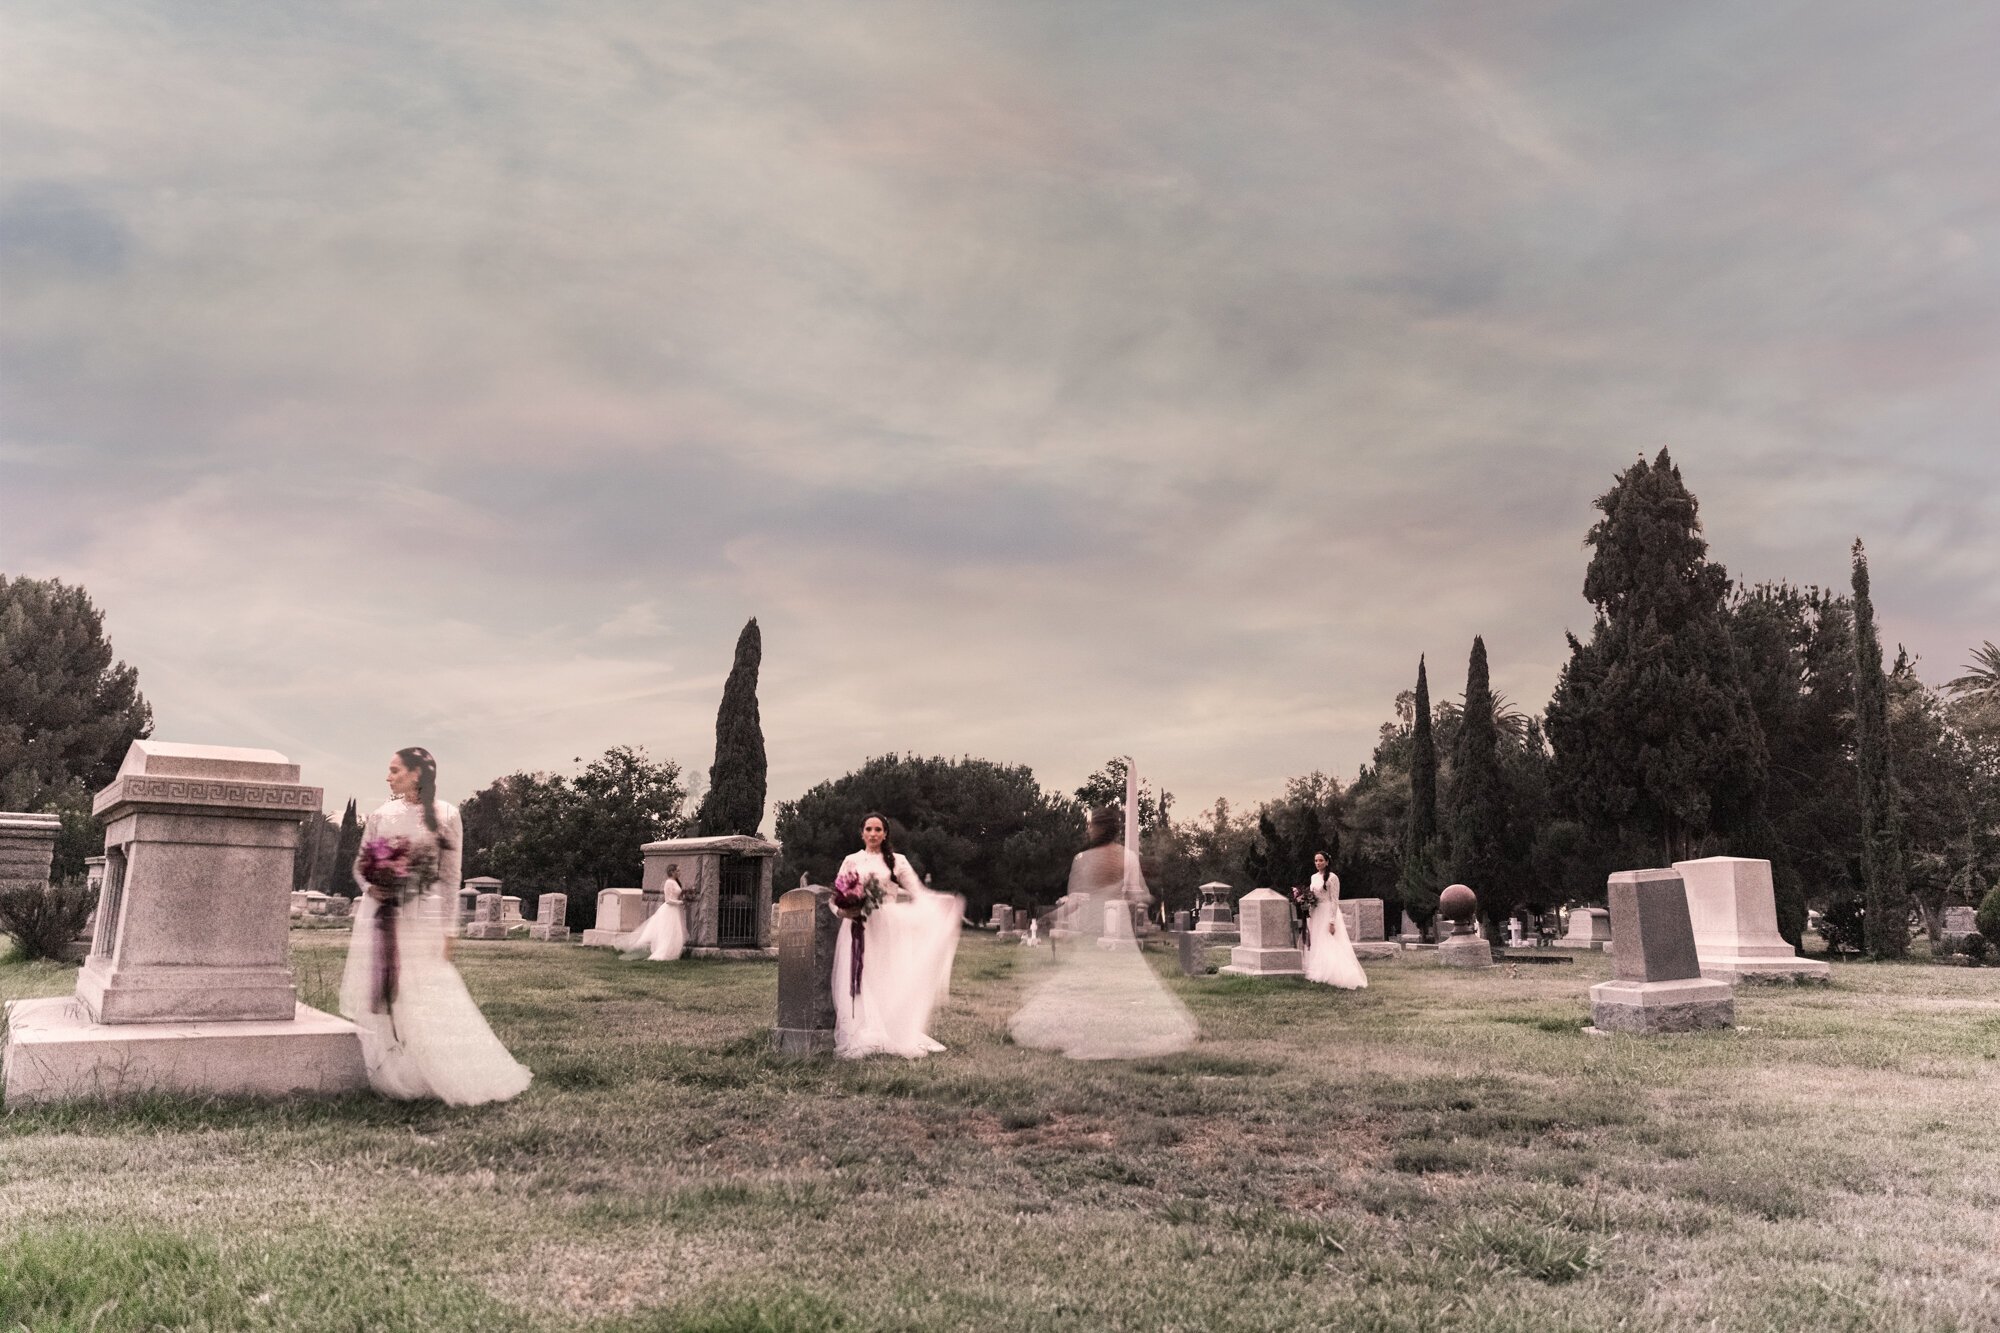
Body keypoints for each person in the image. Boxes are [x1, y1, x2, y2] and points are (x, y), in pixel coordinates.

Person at [338, 747, 533, 1105]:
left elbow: (449, 878)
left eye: (395, 770)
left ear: (416, 774)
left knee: (425, 992)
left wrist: (449, 930)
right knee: (385, 994)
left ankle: (436, 1070)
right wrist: (372, 886)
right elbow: (359, 864)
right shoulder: (381, 815)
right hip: (381, 915)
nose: (388, 777)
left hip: (422, 917)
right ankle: (387, 1068)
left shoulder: (446, 815)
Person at [1008, 806, 1196, 1060]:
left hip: (1090, 933)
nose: (1088, 829)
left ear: (1100, 827)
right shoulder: (1127, 857)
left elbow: (1074, 901)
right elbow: (1141, 895)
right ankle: (1113, 1036)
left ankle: (1093, 1036)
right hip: (1114, 934)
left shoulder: (1083, 859)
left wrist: (1050, 918)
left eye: (1090, 825)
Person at [830, 813, 963, 1058]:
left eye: (878, 829)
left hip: (887, 926)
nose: (873, 834)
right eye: (868, 829)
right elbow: (837, 894)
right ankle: (863, 1029)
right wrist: (844, 909)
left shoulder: (897, 861)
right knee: (862, 977)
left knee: (884, 974)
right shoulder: (851, 860)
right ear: (862, 833)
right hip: (857, 926)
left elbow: (917, 891)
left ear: (885, 833)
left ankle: (890, 1028)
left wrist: (942, 902)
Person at [1301, 849, 1367, 989]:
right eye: (1316, 860)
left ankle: (1339, 973)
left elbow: (1334, 900)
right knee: (1317, 942)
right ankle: (1319, 970)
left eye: (1320, 860)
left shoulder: (1332, 877)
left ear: (1327, 862)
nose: (1318, 863)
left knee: (1329, 941)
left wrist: (1332, 921)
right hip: (1316, 913)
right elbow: (1312, 895)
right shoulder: (1313, 877)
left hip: (1327, 912)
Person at [622, 862, 687, 961]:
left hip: (675, 910)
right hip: (669, 910)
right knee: (667, 931)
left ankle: (672, 953)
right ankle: (662, 953)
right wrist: (680, 902)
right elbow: (668, 900)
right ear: (672, 872)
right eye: (677, 870)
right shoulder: (668, 882)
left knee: (675, 931)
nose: (680, 872)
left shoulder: (675, 882)